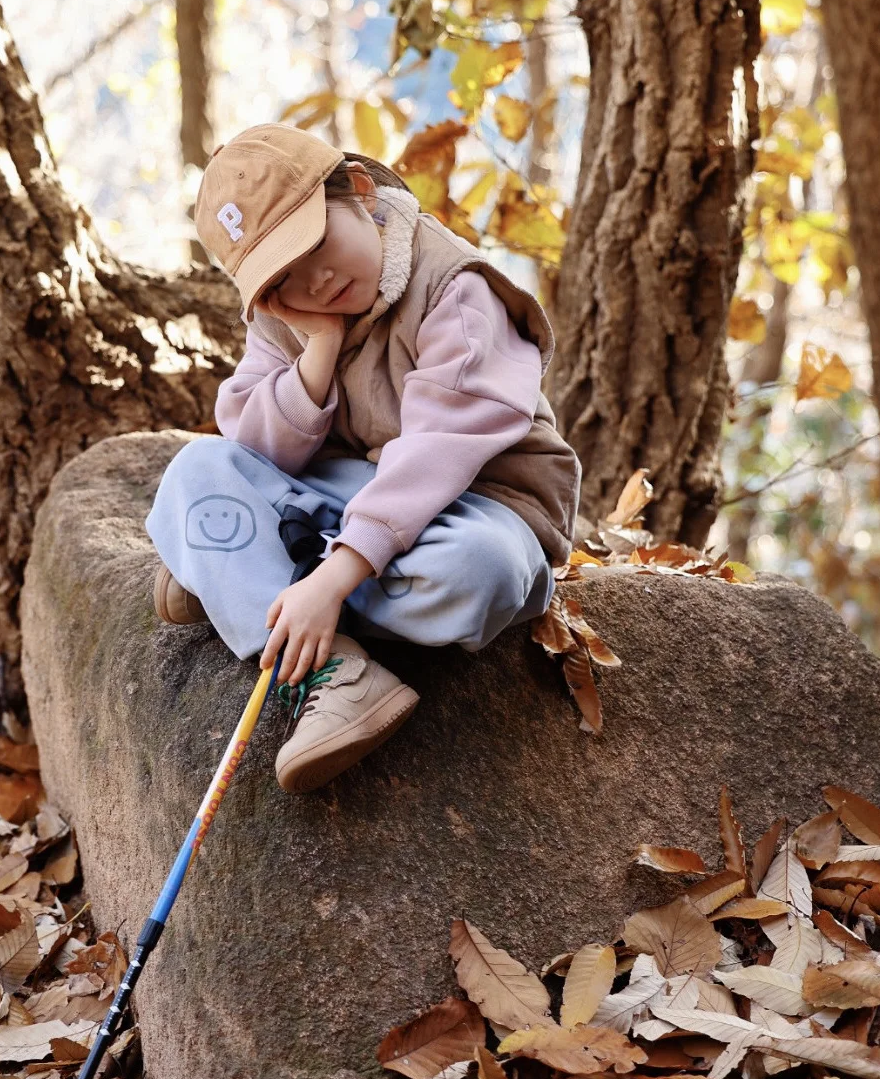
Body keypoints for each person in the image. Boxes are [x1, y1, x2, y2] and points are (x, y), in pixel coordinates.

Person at [146, 124, 580, 793]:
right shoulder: (285, 316)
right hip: (350, 497)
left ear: (358, 191)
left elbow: (437, 451)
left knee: (481, 577)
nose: (315, 284)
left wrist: (331, 581)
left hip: (476, 509)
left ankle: (244, 578)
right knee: (193, 473)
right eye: (283, 279)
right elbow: (251, 446)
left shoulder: (456, 290)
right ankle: (336, 672)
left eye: (315, 246)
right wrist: (316, 355)